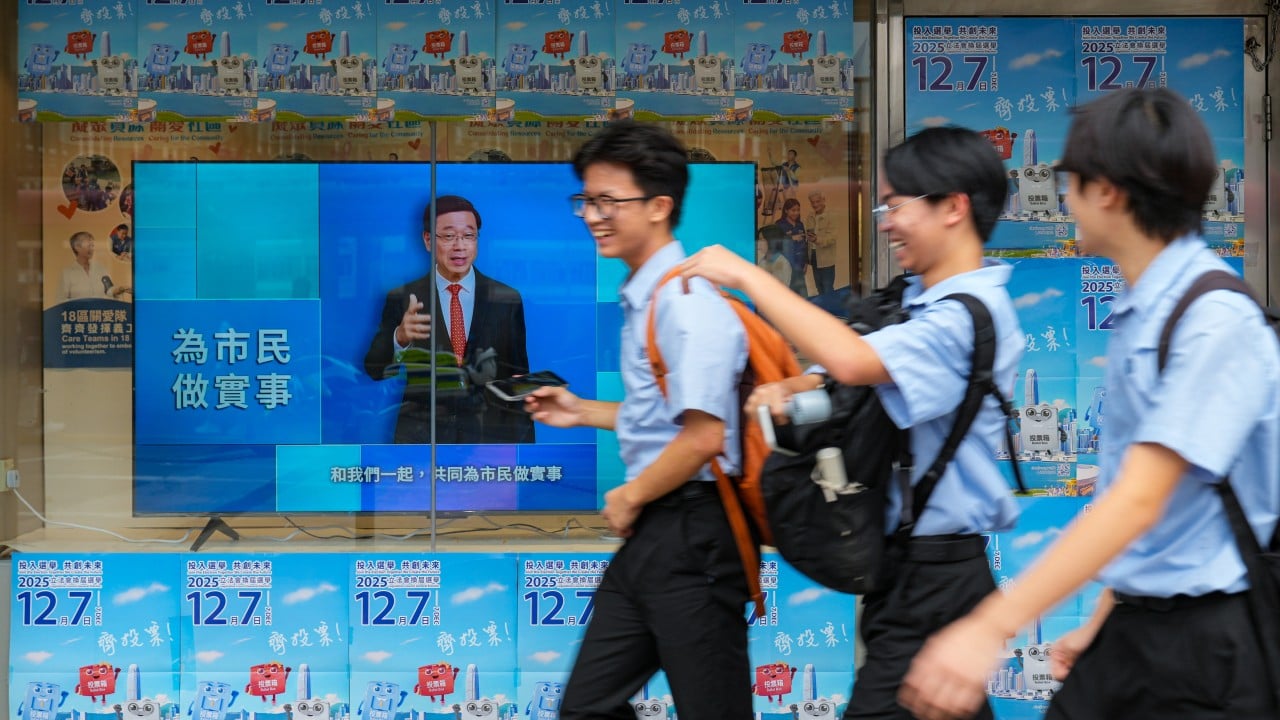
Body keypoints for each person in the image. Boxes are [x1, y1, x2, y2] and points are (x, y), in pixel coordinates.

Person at [899, 88, 1280, 720]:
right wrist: (1101, 620)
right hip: (1140, 626)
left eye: (1069, 181)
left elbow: (1140, 500)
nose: (1063, 197)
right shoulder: (1145, 311)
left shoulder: (1213, 320)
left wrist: (990, 626)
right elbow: (1170, 514)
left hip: (1207, 650)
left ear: (1108, 191)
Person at [678, 125, 1024, 720]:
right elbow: (852, 377)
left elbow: (855, 361)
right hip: (911, 571)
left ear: (953, 207)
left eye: (897, 205)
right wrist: (801, 388)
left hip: (937, 579)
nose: (886, 222)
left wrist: (746, 276)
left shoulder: (964, 318)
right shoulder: (917, 304)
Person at [523, 121, 752, 719]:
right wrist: (582, 412)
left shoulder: (686, 305)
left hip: (692, 531)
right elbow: (666, 420)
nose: (592, 215)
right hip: (659, 533)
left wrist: (631, 495)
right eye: (587, 200)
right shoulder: (649, 299)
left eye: (608, 202)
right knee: (586, 709)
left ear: (659, 207)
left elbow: (707, 435)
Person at [363, 194, 534, 444]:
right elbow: (374, 369)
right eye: (449, 236)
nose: (460, 245)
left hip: (487, 438)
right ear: (428, 240)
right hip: (422, 438)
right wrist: (400, 338)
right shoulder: (403, 297)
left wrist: (523, 455)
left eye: (468, 235)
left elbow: (519, 379)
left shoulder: (505, 299)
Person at [59, 231, 131, 300]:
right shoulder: (67, 273)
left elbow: (109, 290)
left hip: (99, 311)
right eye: (89, 245)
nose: (92, 249)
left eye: (92, 245)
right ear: (77, 247)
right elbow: (61, 301)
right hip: (80, 312)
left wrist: (120, 289)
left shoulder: (100, 268)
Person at [806, 189, 838, 296]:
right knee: (819, 288)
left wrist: (817, 239)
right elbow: (808, 235)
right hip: (814, 257)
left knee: (828, 289)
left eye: (817, 201)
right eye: (812, 202)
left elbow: (832, 238)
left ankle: (830, 312)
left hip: (826, 259)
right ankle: (824, 310)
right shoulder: (810, 216)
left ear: (823, 200)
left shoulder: (831, 215)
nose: (815, 204)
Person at [775, 197, 809, 296]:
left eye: (798, 210)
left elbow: (805, 244)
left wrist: (806, 263)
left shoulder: (800, 224)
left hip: (800, 265)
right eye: (793, 210)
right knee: (788, 294)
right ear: (786, 210)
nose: (796, 213)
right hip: (787, 265)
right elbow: (776, 244)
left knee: (803, 296)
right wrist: (791, 238)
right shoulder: (779, 224)